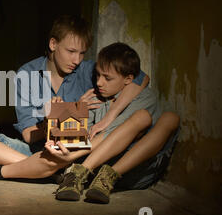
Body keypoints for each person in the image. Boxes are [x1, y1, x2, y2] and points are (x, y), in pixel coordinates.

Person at [0, 15, 149, 178]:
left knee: (62, 157)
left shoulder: (90, 70)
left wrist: (108, 118)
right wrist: (54, 118)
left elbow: (141, 77)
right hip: (36, 151)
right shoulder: (27, 74)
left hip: (73, 154)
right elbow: (27, 135)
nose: (76, 60)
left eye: (81, 53)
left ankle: (39, 171)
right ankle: (40, 171)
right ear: (53, 44)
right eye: (71, 51)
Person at [48, 43, 180, 204]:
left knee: (166, 118)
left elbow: (117, 129)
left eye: (107, 78)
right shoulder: (95, 99)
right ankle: (77, 174)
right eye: (98, 75)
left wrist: (105, 121)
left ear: (129, 79)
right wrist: (67, 112)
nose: (99, 83)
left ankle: (104, 175)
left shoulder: (144, 97)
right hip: (94, 171)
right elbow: (77, 139)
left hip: (134, 170)